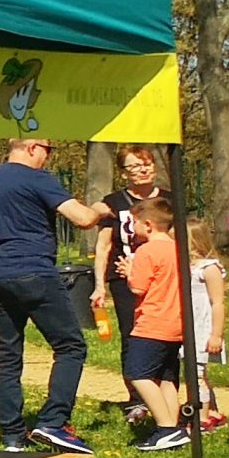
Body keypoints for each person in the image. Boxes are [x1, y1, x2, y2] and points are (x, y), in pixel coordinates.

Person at [0, 136, 102, 454]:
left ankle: (12, 435)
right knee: (70, 346)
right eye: (48, 151)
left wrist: (2, 252)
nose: (48, 158)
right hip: (34, 272)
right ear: (31, 148)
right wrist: (101, 210)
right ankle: (53, 423)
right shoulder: (38, 179)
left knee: (8, 355)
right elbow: (82, 219)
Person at [120, 194, 191, 452]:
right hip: (176, 323)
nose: (132, 229)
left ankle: (166, 428)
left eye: (134, 223)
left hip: (152, 323)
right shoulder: (177, 248)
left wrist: (130, 272)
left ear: (148, 225)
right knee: (167, 377)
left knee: (138, 374)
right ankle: (174, 428)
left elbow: (138, 287)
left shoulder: (146, 251)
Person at [90, 144, 161, 349]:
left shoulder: (169, 200)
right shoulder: (113, 202)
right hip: (124, 278)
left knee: (164, 333)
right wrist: (99, 286)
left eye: (147, 164)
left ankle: (165, 379)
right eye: (135, 166)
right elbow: (103, 247)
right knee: (132, 334)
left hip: (162, 277)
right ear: (123, 174)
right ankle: (135, 377)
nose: (144, 170)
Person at [186, 217, 227, 430]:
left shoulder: (208, 268)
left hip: (202, 326)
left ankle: (201, 418)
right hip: (186, 325)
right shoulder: (185, 266)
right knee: (193, 370)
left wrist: (216, 334)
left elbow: (218, 302)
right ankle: (210, 409)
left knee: (197, 372)